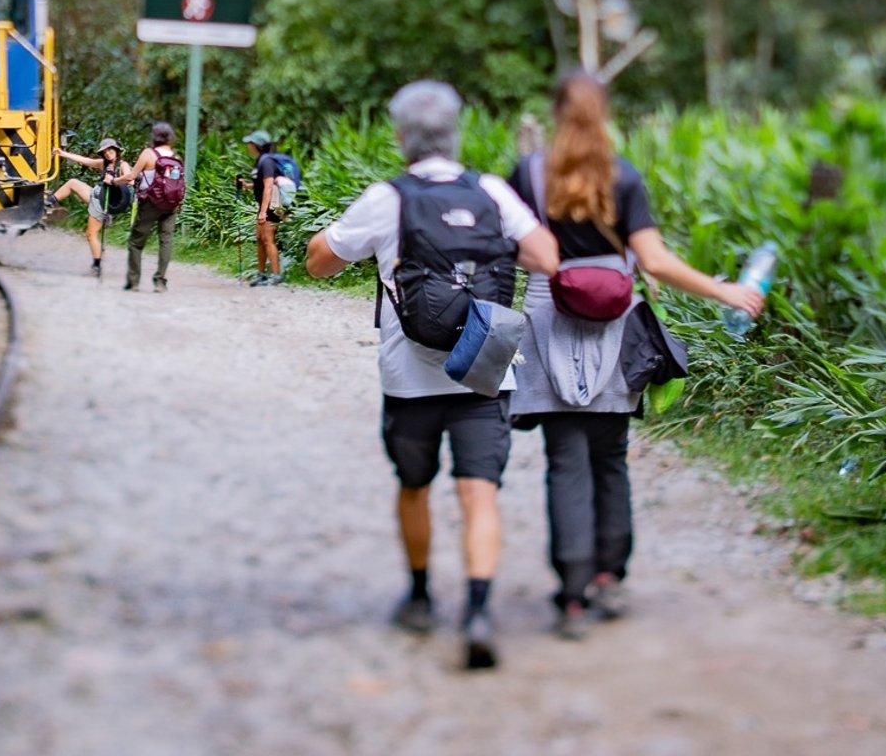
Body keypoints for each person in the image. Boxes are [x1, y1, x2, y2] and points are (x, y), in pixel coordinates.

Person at [305, 81, 559, 669]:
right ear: (456, 133)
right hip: (486, 370)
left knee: (414, 485)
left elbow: (320, 264)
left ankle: (420, 598)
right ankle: (476, 611)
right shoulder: (492, 192)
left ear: (401, 137)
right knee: (480, 492)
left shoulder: (386, 199)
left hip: (409, 378)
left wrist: (334, 241)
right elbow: (546, 256)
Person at [507, 72, 764, 640]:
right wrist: (725, 290)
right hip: (615, 326)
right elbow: (656, 263)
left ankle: (572, 597)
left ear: (554, 114)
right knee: (610, 457)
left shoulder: (528, 175)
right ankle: (609, 577)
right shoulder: (624, 179)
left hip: (549, 321)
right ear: (604, 114)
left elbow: (509, 250)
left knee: (565, 462)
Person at [117, 121, 185, 293]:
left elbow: (132, 175)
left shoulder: (149, 153)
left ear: (154, 136)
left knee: (136, 241)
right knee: (166, 241)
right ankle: (160, 281)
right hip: (171, 205)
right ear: (170, 137)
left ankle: (133, 282)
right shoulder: (175, 157)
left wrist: (114, 181)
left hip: (150, 204)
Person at [53, 137, 128, 278]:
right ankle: (48, 202)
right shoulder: (103, 164)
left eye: (110, 150)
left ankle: (96, 266)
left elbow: (130, 179)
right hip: (97, 197)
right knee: (73, 183)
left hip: (107, 202)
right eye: (104, 152)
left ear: (116, 151)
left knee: (90, 234)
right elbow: (84, 160)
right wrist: (63, 153)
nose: (107, 154)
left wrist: (113, 181)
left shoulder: (122, 165)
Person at [242, 130, 286, 286]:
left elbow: (268, 186)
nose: (249, 146)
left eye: (251, 144)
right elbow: (262, 184)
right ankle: (261, 275)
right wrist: (248, 186)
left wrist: (263, 212)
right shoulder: (260, 161)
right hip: (264, 205)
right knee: (260, 240)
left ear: (257, 145)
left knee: (268, 240)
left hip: (271, 206)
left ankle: (276, 275)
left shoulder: (266, 162)